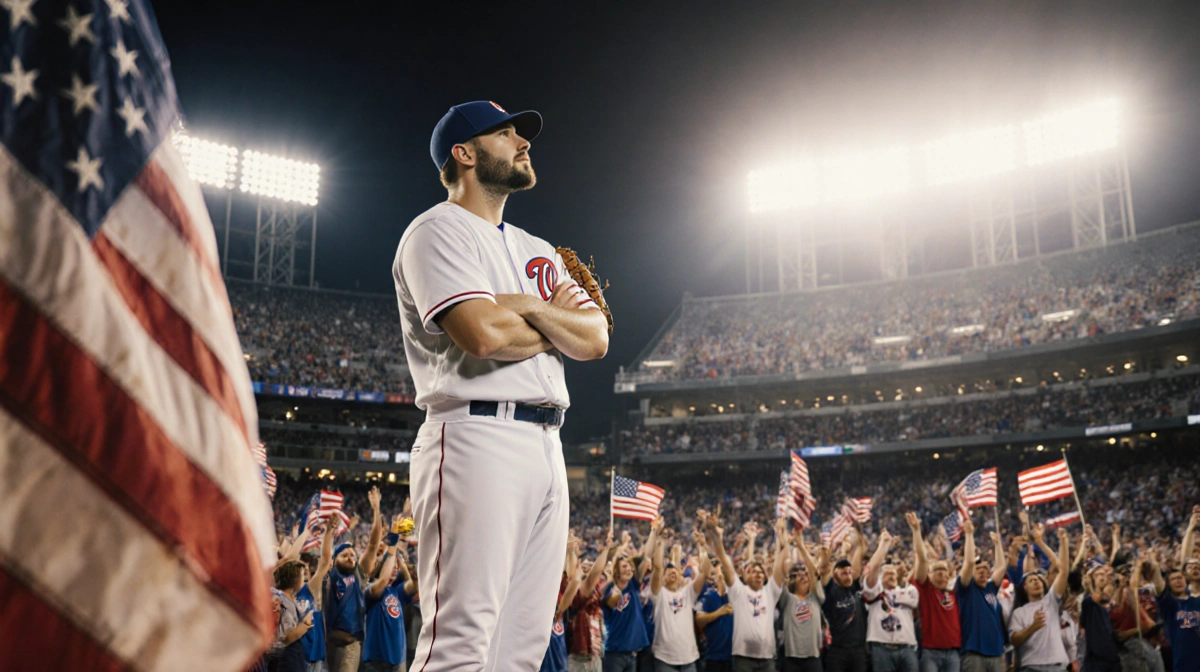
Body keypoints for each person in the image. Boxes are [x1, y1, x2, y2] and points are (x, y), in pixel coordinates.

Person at [393, 99, 609, 672]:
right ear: (464, 154)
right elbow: (481, 334)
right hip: (473, 437)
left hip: (547, 444)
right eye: (505, 134)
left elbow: (595, 338)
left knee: (521, 649)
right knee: (459, 645)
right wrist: (550, 318)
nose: (524, 143)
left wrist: (523, 308)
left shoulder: (539, 249)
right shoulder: (436, 231)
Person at [710, 517, 789, 672]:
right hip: (742, 658)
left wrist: (781, 534)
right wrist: (717, 537)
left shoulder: (770, 591)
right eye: (752, 572)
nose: (758, 574)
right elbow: (725, 563)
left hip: (767, 658)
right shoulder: (738, 591)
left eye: (761, 572)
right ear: (744, 577)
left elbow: (781, 561)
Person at [326, 487, 385, 672]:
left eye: (353, 555)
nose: (352, 557)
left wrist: (376, 509)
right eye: (346, 555)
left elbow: (374, 544)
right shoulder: (329, 574)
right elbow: (324, 555)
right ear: (335, 560)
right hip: (326, 644)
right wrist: (329, 531)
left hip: (350, 646)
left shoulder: (358, 575)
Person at [821, 528, 889, 672]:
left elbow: (862, 552)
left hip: (858, 650)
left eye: (848, 571)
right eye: (842, 572)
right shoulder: (830, 590)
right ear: (834, 574)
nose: (847, 573)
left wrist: (856, 534)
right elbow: (824, 568)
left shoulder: (855, 588)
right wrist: (833, 545)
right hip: (836, 650)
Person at [1008, 528, 1071, 671]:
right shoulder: (1019, 612)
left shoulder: (1052, 601)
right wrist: (1033, 627)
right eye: (1031, 580)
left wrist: (1044, 542)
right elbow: (1014, 639)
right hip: (1032, 667)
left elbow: (1064, 570)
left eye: (1037, 579)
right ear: (1024, 588)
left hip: (1058, 666)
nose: (1036, 581)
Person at [649, 530, 711, 671]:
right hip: (663, 657)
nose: (672, 571)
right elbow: (657, 568)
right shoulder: (658, 594)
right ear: (662, 579)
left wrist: (703, 546)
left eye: (675, 569)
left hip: (688, 657)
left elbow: (705, 573)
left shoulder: (688, 592)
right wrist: (660, 542)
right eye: (668, 570)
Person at [906, 512, 962, 672]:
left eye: (945, 571)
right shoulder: (926, 590)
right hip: (931, 653)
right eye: (937, 570)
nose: (942, 573)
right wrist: (916, 531)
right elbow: (923, 559)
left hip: (953, 652)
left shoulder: (954, 593)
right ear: (929, 575)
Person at [1148, 506, 1200, 672]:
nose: (1178, 580)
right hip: (1184, 666)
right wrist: (1191, 528)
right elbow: (1185, 562)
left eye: (1180, 578)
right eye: (1174, 579)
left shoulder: (1195, 598)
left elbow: (1187, 563)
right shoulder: (1170, 605)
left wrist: (1192, 528)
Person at [956, 517, 1008, 672]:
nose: (983, 571)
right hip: (973, 651)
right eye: (979, 569)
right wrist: (969, 534)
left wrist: (998, 544)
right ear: (972, 573)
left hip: (996, 652)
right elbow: (970, 562)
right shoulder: (966, 588)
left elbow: (1001, 567)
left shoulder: (991, 588)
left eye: (986, 569)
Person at [570, 533, 619, 672]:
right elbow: (594, 575)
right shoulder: (576, 591)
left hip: (596, 654)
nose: (589, 568)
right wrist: (606, 550)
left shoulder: (598, 590)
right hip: (578, 657)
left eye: (591, 565)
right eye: (585, 566)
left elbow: (615, 595)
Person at [778, 528, 826, 672]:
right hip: (791, 658)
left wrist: (801, 546)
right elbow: (781, 574)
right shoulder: (787, 599)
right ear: (793, 582)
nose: (803, 576)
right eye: (798, 575)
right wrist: (784, 545)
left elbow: (814, 572)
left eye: (805, 574)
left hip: (813, 657)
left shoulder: (816, 597)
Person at [863, 554, 920, 672]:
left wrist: (893, 594)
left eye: (893, 573)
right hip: (882, 649)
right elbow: (870, 586)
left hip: (907, 648)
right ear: (879, 578)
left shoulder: (909, 590)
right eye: (887, 573)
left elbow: (914, 601)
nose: (891, 576)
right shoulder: (874, 594)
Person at [542, 534, 587, 672]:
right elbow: (574, 579)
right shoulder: (545, 594)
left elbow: (571, 576)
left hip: (559, 662)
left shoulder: (561, 594)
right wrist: (566, 550)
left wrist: (570, 551)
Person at [299, 521, 337, 672]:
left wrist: (329, 532)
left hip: (316, 659)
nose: (301, 571)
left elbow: (325, 562)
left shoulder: (311, 589)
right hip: (297, 659)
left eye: (304, 569)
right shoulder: (284, 594)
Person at [272, 561, 316, 672]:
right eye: (302, 575)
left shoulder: (285, 598)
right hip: (287, 657)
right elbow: (287, 637)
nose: (304, 578)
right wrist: (306, 623)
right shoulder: (283, 601)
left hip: (293, 656)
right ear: (294, 580)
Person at [695, 565, 735, 672]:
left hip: (735, 656)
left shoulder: (737, 596)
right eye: (720, 575)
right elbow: (699, 620)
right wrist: (719, 612)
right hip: (714, 655)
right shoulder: (708, 597)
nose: (723, 579)